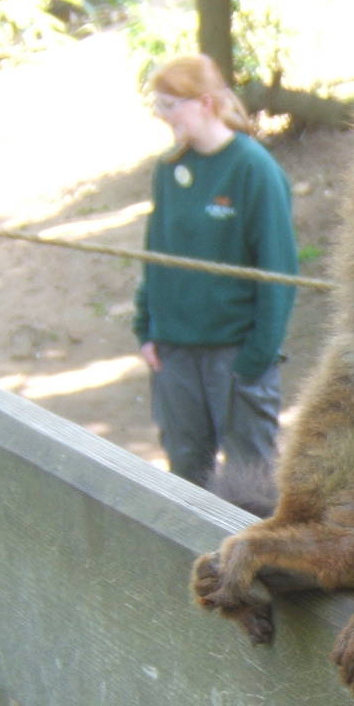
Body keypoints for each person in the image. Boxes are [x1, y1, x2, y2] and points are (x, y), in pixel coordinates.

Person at [134, 54, 297, 487]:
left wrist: (256, 358)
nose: (162, 115)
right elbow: (156, 252)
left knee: (250, 481)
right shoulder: (170, 169)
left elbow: (279, 273)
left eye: (170, 104)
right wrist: (146, 328)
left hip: (235, 352)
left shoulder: (254, 169)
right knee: (186, 473)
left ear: (205, 103)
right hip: (175, 352)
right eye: (158, 104)